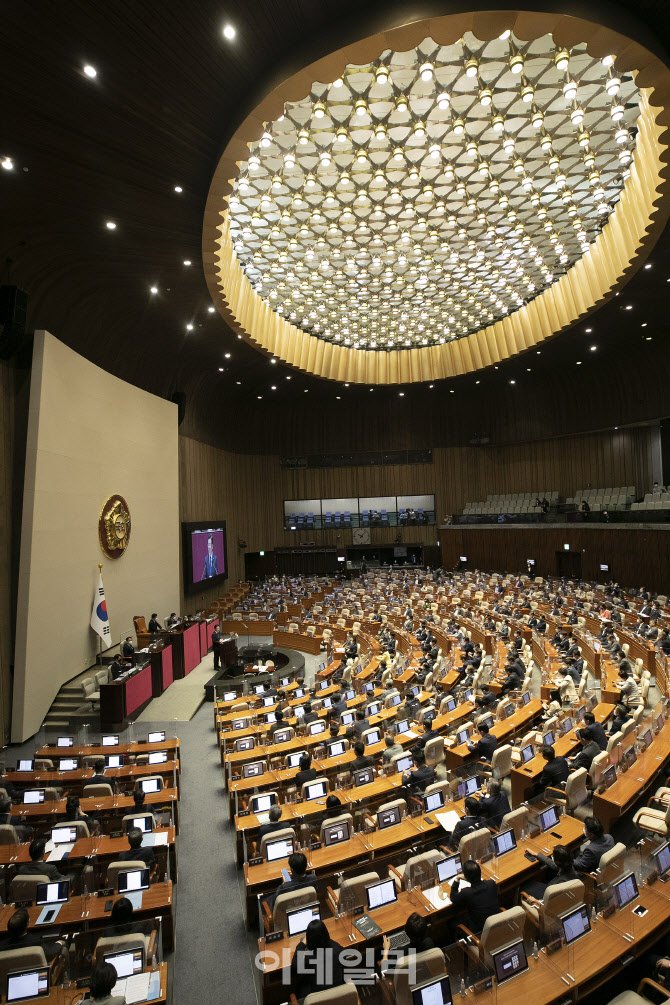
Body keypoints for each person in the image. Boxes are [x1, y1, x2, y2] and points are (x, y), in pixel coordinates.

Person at [290, 919, 346, 1000]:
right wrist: (325, 939)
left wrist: (301, 944)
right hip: (338, 998)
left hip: (318, 999)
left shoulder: (309, 959)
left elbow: (295, 965)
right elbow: (336, 946)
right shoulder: (338, 951)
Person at [450, 860, 500, 933]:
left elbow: (453, 897)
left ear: (466, 877)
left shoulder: (467, 893)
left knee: (451, 923)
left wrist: (457, 878)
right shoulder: (491, 884)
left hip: (479, 932)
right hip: (497, 924)